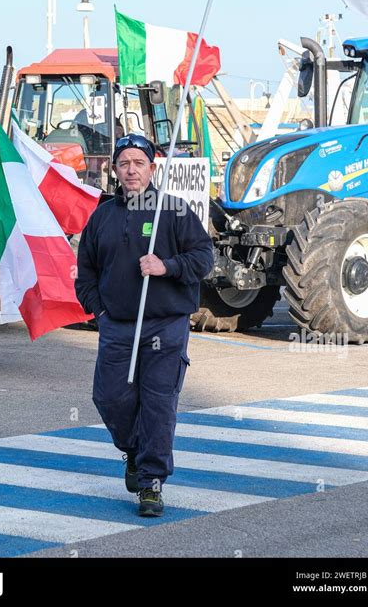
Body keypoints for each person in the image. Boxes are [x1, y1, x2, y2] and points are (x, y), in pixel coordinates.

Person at [75, 133, 214, 516]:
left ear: (152, 167)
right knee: (109, 398)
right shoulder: (102, 216)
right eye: (124, 163)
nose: (131, 169)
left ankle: (151, 483)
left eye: (139, 162)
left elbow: (204, 258)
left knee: (157, 405)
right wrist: (100, 314)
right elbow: (85, 273)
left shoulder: (174, 210)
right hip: (117, 325)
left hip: (165, 326)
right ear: (115, 169)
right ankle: (134, 450)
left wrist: (166, 266)